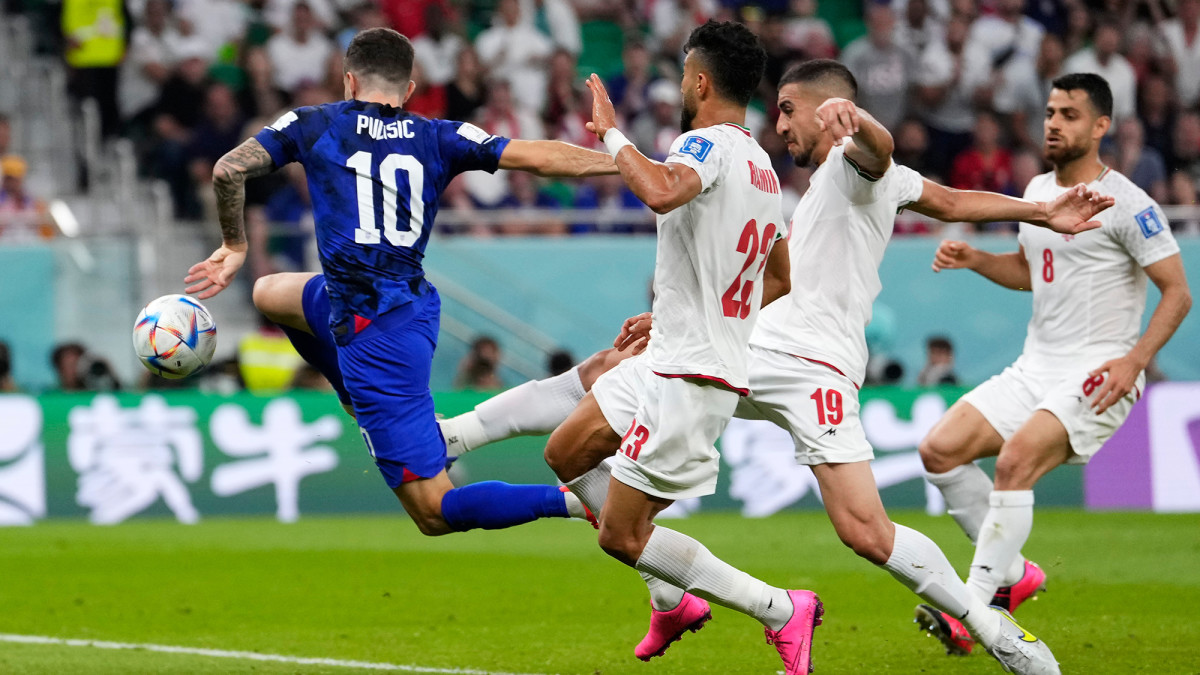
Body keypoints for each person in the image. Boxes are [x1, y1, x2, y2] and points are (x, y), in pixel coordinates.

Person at [440, 60, 1115, 674]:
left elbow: (879, 151)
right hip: (787, 357)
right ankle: (658, 575)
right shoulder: (820, 188)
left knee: (862, 529)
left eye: (789, 110)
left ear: (827, 112)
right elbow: (950, 203)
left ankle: (992, 632)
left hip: (798, 359)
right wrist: (1041, 211)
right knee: (608, 379)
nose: (779, 123)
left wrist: (866, 125)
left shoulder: (853, 163)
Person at [183, 28, 619, 538]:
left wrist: (235, 246)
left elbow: (227, 170)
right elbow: (541, 157)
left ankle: (577, 504)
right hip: (389, 306)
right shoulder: (438, 135)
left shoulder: (314, 123)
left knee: (434, 512)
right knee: (270, 295)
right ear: (409, 89)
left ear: (348, 81)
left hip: (380, 340)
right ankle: (351, 392)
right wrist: (622, 162)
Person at [542, 22, 816, 673]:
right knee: (565, 451)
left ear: (699, 80)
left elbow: (663, 190)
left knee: (621, 534)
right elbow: (778, 278)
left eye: (683, 74)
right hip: (674, 351)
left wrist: (611, 132)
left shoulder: (703, 144)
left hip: (692, 374)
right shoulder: (762, 169)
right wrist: (689, 309)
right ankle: (671, 594)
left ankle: (780, 608)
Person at [918, 73, 1191, 655]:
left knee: (1015, 462)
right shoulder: (1039, 192)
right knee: (939, 451)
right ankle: (1014, 576)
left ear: (1100, 126)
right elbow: (1029, 271)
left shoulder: (1129, 203)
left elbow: (1177, 292)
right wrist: (975, 259)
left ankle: (977, 608)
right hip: (1035, 366)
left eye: (1068, 114)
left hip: (1098, 371)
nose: (1052, 123)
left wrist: (1133, 362)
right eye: (1048, 111)